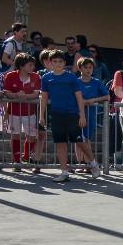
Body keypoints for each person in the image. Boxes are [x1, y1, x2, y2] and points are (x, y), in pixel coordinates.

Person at [39, 50, 98, 181]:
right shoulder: (46, 78)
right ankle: (64, 172)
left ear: (65, 63)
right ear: (50, 63)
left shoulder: (71, 78)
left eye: (60, 61)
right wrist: (41, 116)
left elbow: (79, 98)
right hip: (56, 114)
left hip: (72, 114)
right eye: (55, 61)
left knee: (79, 141)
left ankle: (93, 163)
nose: (58, 64)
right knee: (60, 143)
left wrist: (82, 115)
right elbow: (44, 97)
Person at [3, 52, 40, 171]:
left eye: (33, 65)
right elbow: (7, 92)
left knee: (32, 136)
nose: (32, 67)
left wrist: (25, 96)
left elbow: (36, 94)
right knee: (15, 135)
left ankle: (25, 156)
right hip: (14, 112)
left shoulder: (36, 76)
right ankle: (16, 161)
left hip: (30, 112)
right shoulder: (10, 76)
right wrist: (16, 95)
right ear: (21, 65)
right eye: (30, 65)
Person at [76, 56, 110, 169]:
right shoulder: (75, 82)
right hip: (76, 114)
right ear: (80, 68)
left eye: (90, 67)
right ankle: (80, 164)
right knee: (77, 139)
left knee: (87, 139)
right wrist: (81, 101)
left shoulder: (97, 82)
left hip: (90, 114)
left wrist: (93, 100)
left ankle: (88, 164)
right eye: (85, 67)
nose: (88, 70)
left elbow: (107, 97)